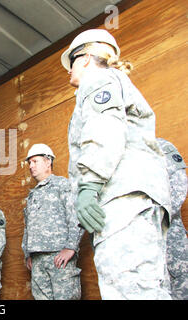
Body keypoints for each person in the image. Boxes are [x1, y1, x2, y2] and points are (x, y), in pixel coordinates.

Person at [62, 29, 172, 299]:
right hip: (135, 203)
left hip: (121, 202)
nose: (68, 70)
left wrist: (89, 185)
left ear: (86, 58)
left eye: (72, 61)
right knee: (146, 289)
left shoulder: (97, 80)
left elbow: (106, 129)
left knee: (128, 291)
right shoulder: (114, 80)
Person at [22, 144, 83, 300]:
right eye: (30, 163)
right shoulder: (32, 195)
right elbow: (28, 227)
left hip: (59, 257)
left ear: (48, 162)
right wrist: (28, 254)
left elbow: (76, 216)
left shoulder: (62, 185)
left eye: (35, 161)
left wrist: (71, 247)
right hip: (37, 260)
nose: (31, 166)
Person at [157, 138, 188, 300]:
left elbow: (179, 185)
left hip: (170, 235)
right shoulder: (117, 155)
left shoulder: (161, 146)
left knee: (181, 288)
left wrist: (155, 217)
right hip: (140, 243)